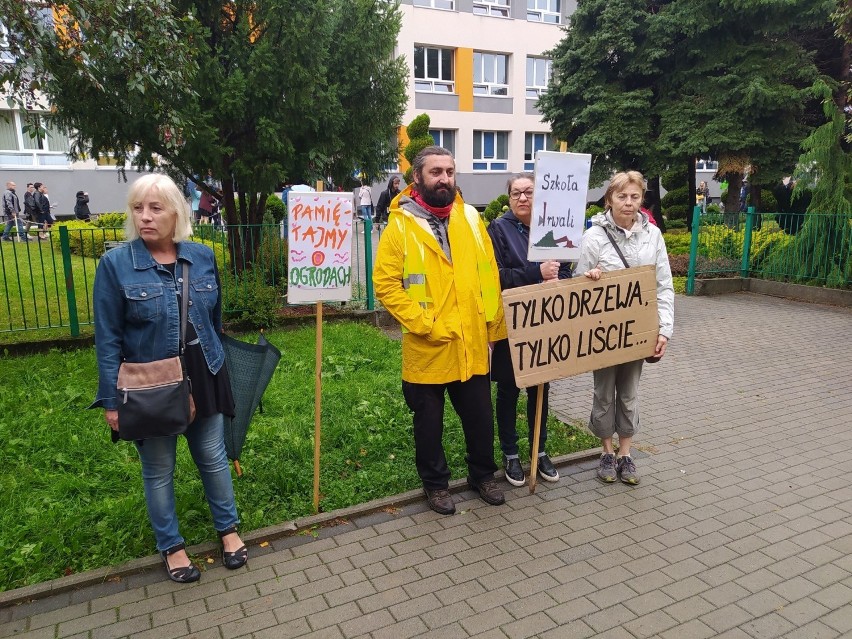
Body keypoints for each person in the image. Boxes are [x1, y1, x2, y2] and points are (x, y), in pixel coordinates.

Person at [91, 174, 247, 583]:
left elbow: (213, 320)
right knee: (159, 469)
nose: (145, 217)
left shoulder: (201, 256)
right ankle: (172, 546)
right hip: (152, 383)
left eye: (155, 208)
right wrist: (111, 400)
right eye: (138, 208)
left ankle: (228, 530)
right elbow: (107, 339)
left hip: (204, 371)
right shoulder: (115, 265)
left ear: (176, 212)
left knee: (212, 458)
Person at [373, 146, 507, 515]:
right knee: (428, 424)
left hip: (472, 342)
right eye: (436, 172)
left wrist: (494, 328)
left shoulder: (469, 216)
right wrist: (425, 324)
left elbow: (488, 273)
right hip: (428, 344)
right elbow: (385, 284)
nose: (444, 178)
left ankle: (483, 475)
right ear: (417, 177)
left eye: (449, 171)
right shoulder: (401, 225)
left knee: (481, 418)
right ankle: (435, 485)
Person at [575, 171, 674, 486]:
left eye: (634, 197)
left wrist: (664, 330)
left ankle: (625, 454)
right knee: (604, 392)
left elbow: (663, 286)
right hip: (604, 333)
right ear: (610, 199)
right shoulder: (593, 237)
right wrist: (589, 278)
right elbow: (577, 287)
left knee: (629, 393)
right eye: (622, 196)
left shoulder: (652, 236)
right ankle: (605, 450)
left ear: (641, 199)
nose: (628, 203)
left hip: (638, 331)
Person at [487, 173, 571, 487]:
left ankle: (540, 450)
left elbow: (564, 266)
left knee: (540, 390)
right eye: (516, 193)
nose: (523, 198)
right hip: (512, 324)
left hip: (544, 323)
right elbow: (496, 275)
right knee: (508, 389)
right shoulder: (498, 229)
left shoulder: (552, 228)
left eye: (529, 192)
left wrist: (559, 276)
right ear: (509, 198)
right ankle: (510, 453)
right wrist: (536, 270)